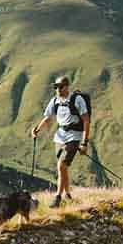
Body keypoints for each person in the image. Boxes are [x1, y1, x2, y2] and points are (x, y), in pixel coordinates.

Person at [29, 75, 91, 208]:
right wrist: (37, 130)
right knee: (63, 167)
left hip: (74, 137)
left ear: (67, 86)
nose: (57, 89)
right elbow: (47, 118)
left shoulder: (77, 99)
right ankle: (68, 195)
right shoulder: (54, 101)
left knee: (61, 166)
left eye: (60, 86)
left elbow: (86, 120)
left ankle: (57, 197)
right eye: (55, 87)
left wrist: (84, 142)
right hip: (59, 137)